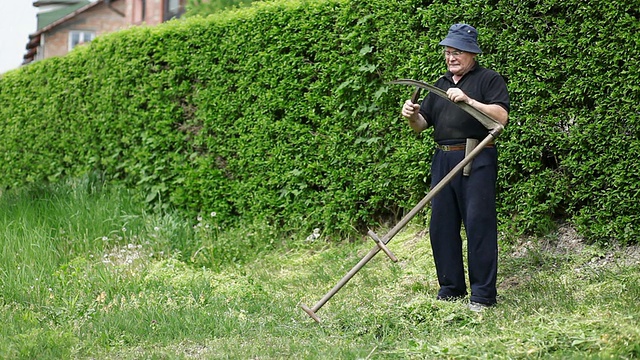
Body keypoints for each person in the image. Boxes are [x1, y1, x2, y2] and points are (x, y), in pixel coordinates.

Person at [400, 23, 510, 311]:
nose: (451, 57)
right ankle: (451, 291)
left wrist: (469, 100)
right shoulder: (440, 84)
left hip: (477, 157)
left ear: (472, 53)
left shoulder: (488, 79)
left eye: (457, 52)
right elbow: (422, 125)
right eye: (448, 52)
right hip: (444, 158)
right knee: (441, 227)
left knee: (478, 225)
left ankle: (482, 297)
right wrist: (411, 115)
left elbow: (501, 117)